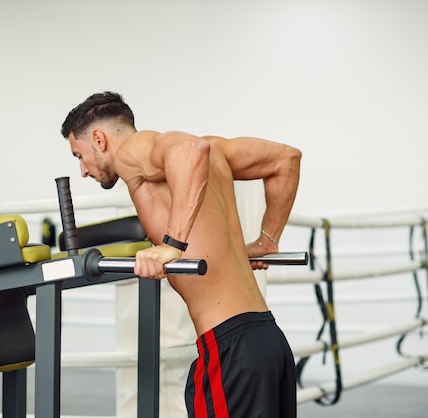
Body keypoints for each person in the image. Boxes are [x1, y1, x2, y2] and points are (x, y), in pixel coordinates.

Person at [61, 91, 301, 418]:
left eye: (79, 155)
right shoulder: (218, 151)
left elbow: (190, 149)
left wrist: (171, 246)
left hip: (230, 352)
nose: (83, 171)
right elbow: (286, 160)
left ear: (100, 139)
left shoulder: (132, 151)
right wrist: (267, 240)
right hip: (267, 340)